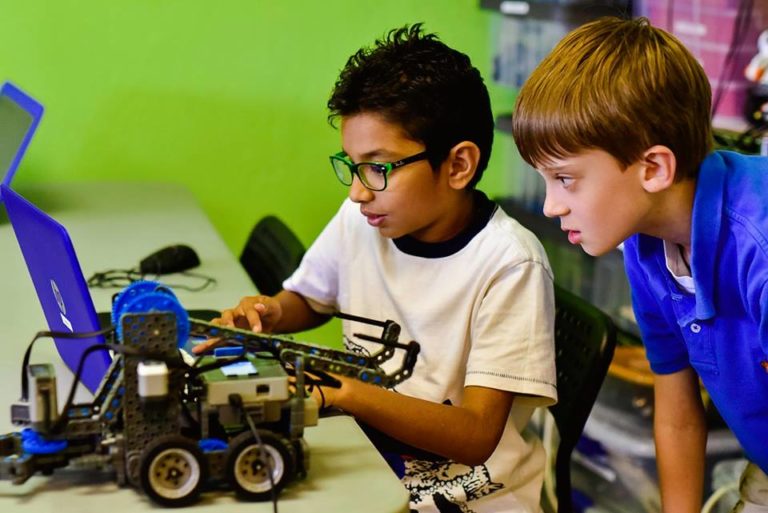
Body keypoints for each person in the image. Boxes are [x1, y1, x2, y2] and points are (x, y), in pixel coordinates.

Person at [197, 24, 557, 513]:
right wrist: (270, 314)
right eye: (351, 165)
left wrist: (346, 393)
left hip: (466, 499)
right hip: (369, 461)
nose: (357, 191)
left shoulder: (510, 264)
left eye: (378, 167)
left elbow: (475, 436)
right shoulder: (361, 219)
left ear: (458, 166)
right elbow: (311, 299)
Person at [511, 16, 768, 513]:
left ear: (653, 168)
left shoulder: (759, 252)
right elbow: (677, 413)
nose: (550, 205)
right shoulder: (646, 246)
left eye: (565, 179)